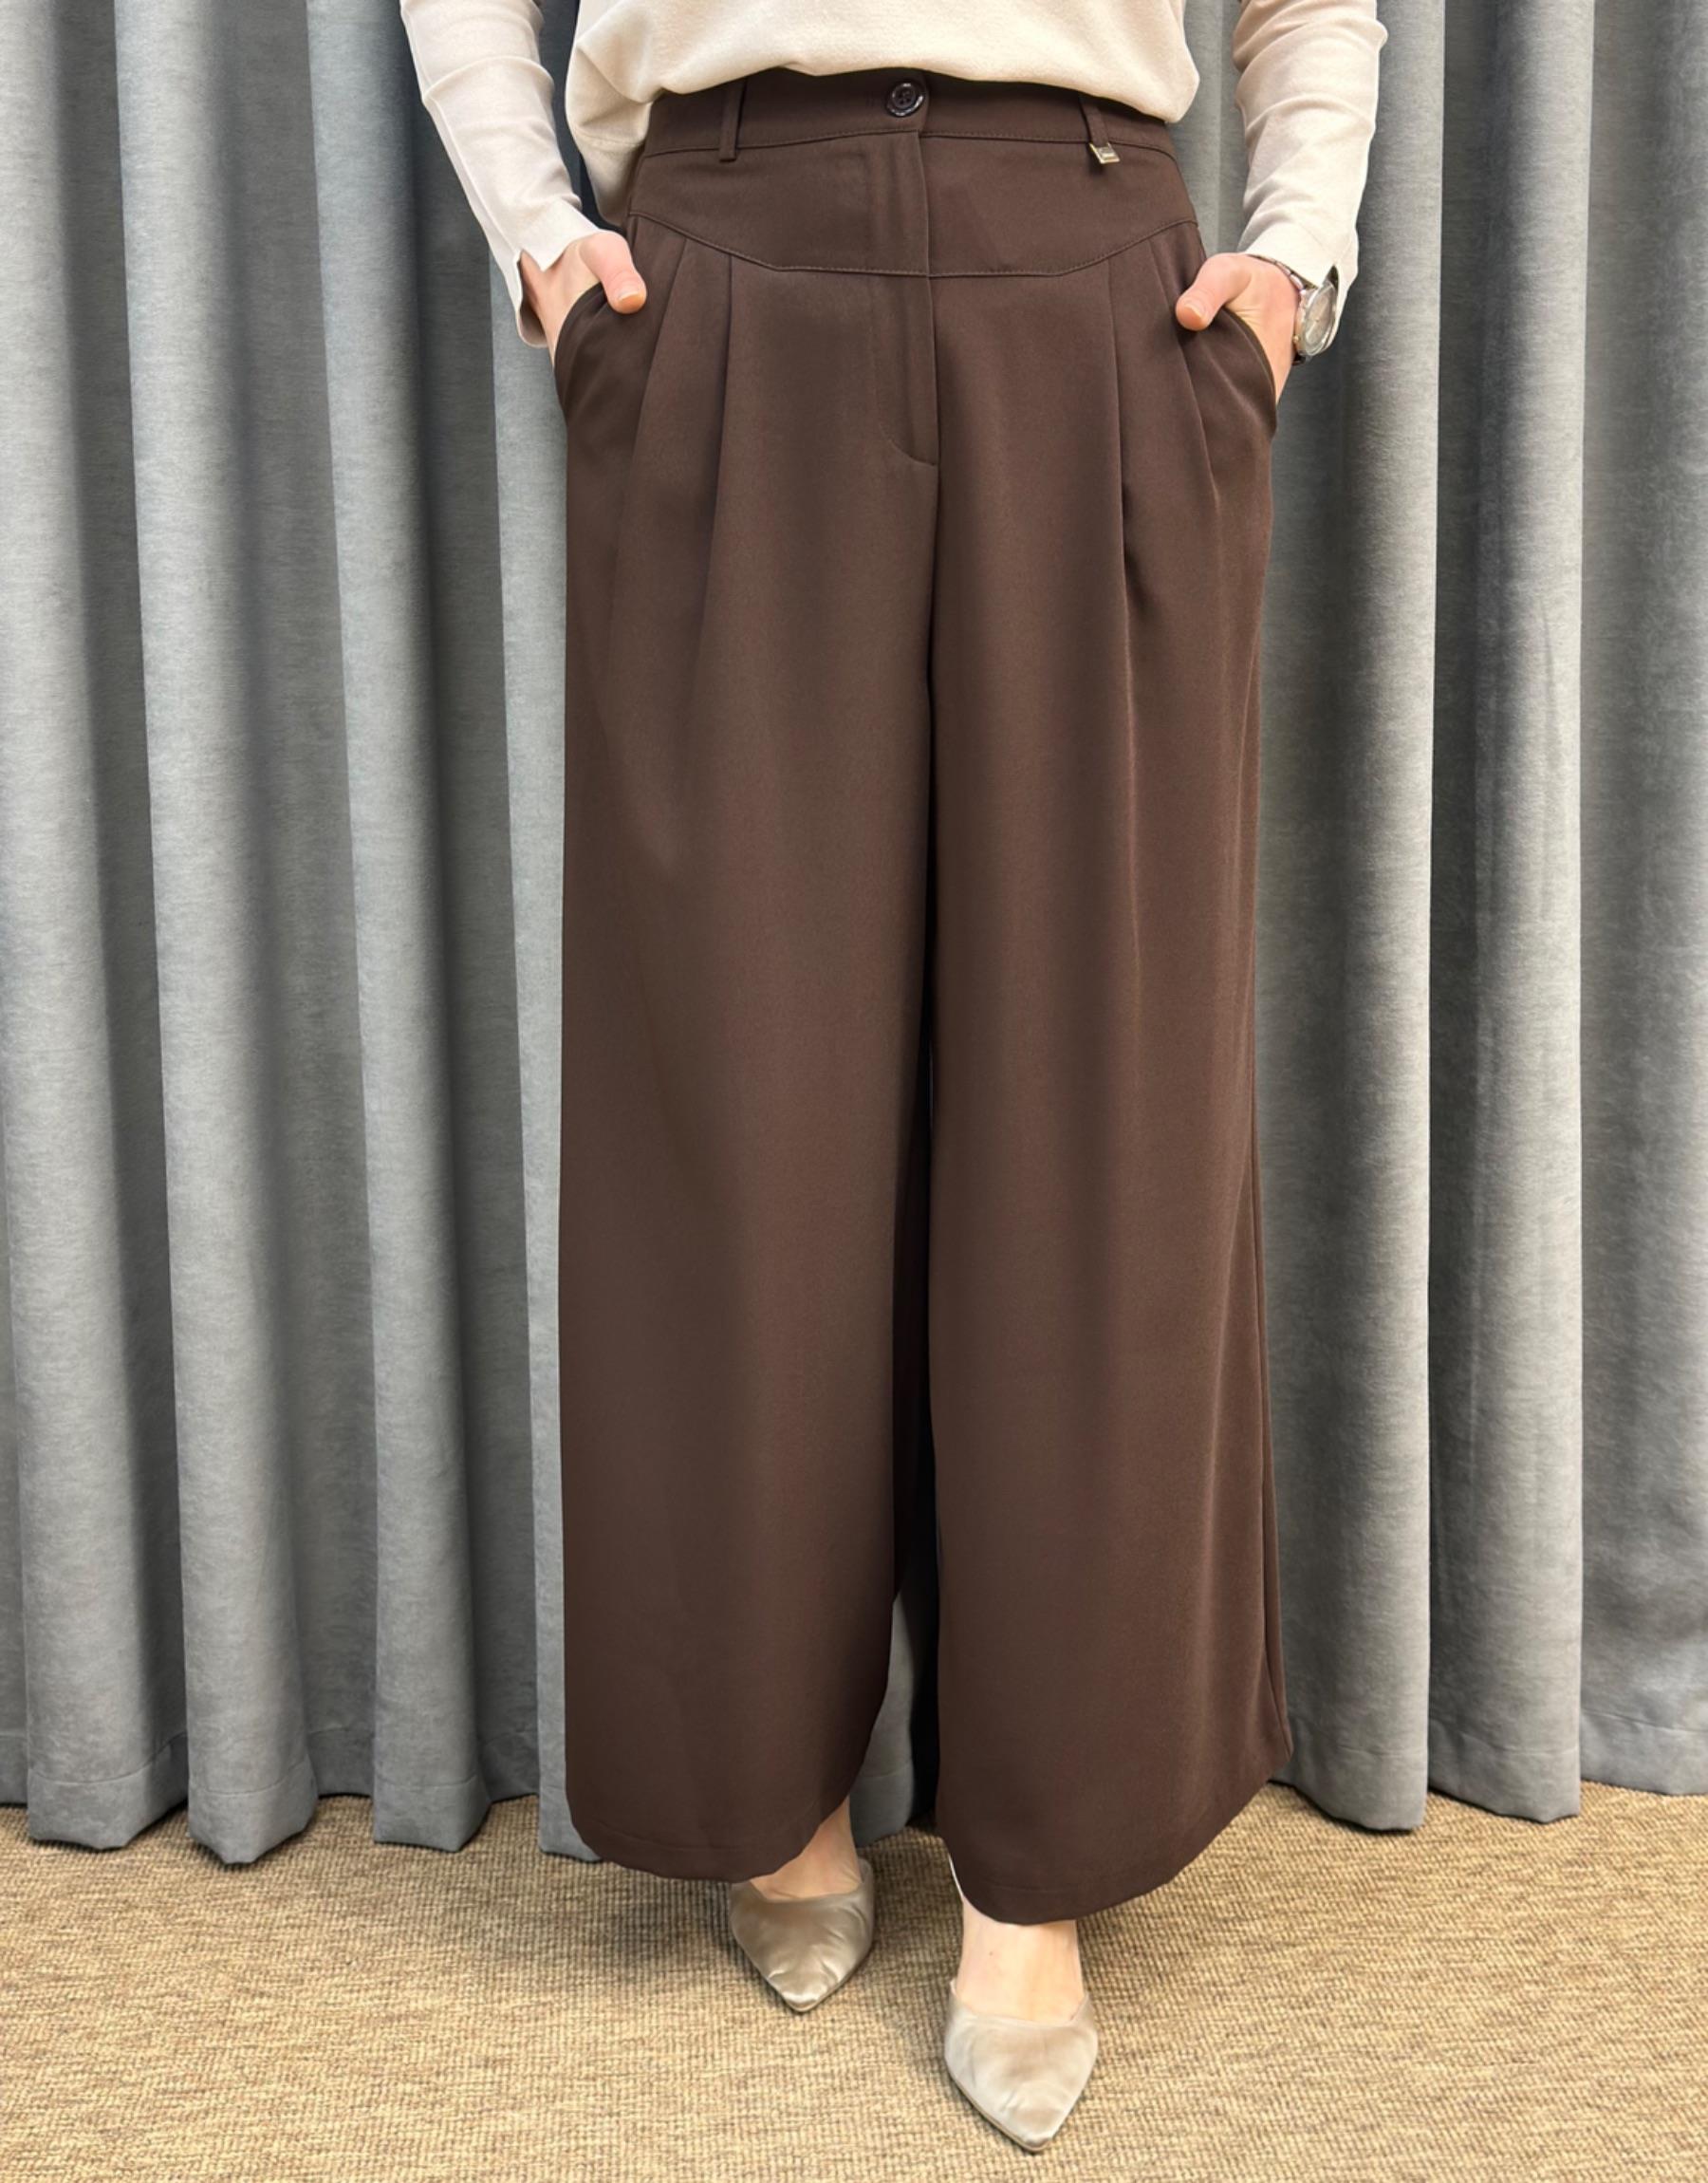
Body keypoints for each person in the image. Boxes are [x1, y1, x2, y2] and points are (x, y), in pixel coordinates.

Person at [400, 0, 1385, 2153]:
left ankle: (1044, 1865)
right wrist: (541, 244)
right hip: (724, 278)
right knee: (739, 1110)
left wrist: (1290, 267)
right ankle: (766, 1796)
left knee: (1093, 1117)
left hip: (1095, 284)